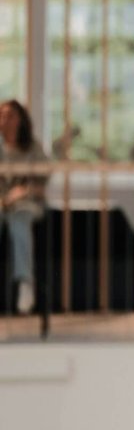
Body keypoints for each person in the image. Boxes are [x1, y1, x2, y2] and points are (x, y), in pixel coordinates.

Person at [0, 99, 50, 314]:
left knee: (19, 224)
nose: (5, 120)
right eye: (2, 115)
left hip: (25, 204)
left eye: (11, 115)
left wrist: (22, 192)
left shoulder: (32, 147)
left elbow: (42, 181)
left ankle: (25, 282)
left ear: (21, 119)